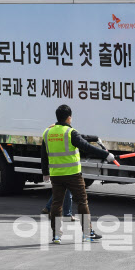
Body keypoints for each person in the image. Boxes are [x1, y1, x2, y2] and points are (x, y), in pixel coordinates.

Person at [41, 104, 116, 244]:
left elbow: (44, 155)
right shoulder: (70, 133)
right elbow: (86, 147)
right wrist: (106, 155)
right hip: (73, 174)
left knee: (57, 204)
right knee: (82, 202)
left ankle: (56, 235)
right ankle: (87, 233)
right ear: (69, 118)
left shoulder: (47, 132)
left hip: (56, 175)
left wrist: (45, 172)